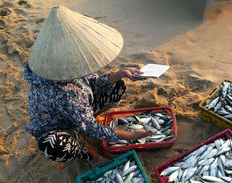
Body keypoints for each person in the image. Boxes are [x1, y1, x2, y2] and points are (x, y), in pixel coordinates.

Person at [24, 5, 153, 162]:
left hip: (77, 110)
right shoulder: (65, 94)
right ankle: (87, 155)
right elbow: (91, 129)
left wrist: (121, 72)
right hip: (60, 127)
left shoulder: (66, 66)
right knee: (54, 146)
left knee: (118, 84)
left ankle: (90, 118)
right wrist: (132, 135)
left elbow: (94, 83)